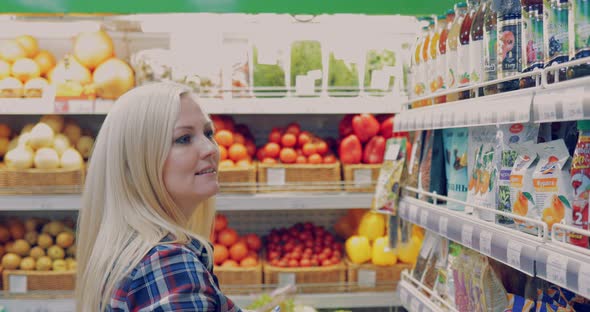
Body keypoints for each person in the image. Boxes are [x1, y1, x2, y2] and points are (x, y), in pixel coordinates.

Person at [75, 83, 242, 311]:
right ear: (135, 163)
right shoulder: (169, 264)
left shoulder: (126, 249)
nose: (210, 149)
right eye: (184, 138)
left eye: (208, 133)